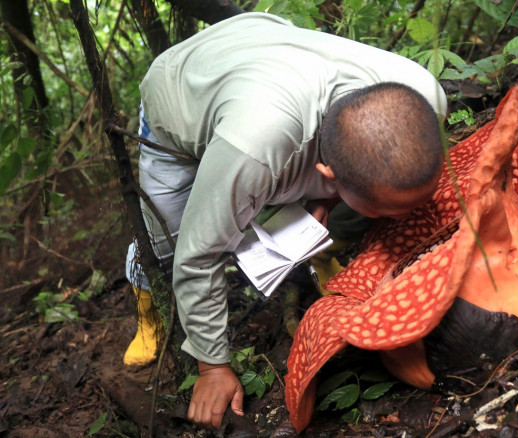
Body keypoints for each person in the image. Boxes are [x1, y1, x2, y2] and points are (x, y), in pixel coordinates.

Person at [123, 11, 448, 429]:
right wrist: (212, 367)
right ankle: (147, 309)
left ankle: (323, 254)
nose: (410, 217)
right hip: (178, 93)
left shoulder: (425, 97)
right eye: (390, 212)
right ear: (329, 175)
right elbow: (198, 255)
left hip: (263, 49)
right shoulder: (254, 151)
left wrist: (328, 206)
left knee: (284, 196)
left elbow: (358, 176)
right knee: (168, 240)